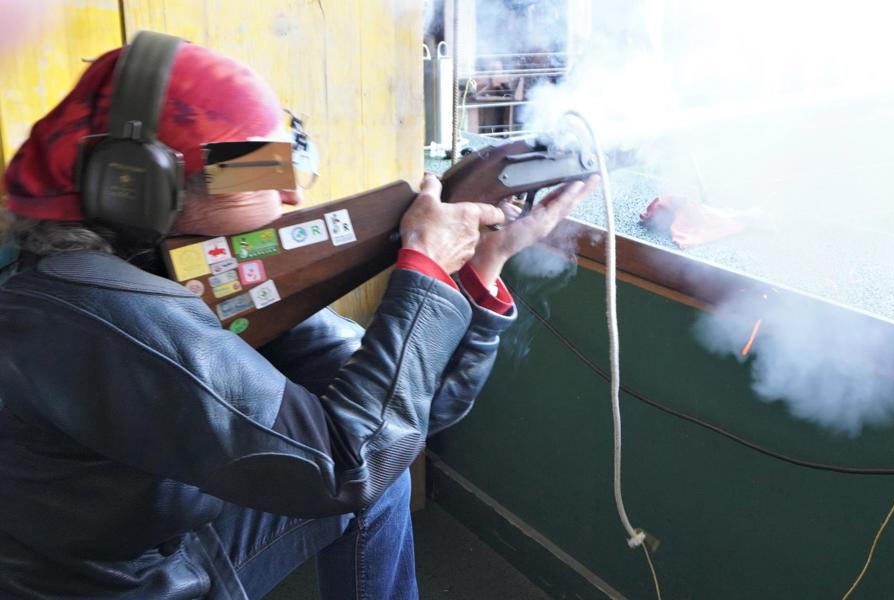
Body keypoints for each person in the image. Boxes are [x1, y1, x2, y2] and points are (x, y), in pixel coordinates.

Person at [0, 35, 597, 599]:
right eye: (258, 171)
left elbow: (402, 419)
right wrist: (424, 270)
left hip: (152, 529)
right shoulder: (102, 310)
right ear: (138, 188)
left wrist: (479, 265)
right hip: (115, 583)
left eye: (286, 163)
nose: (292, 198)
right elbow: (349, 464)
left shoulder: (159, 262)